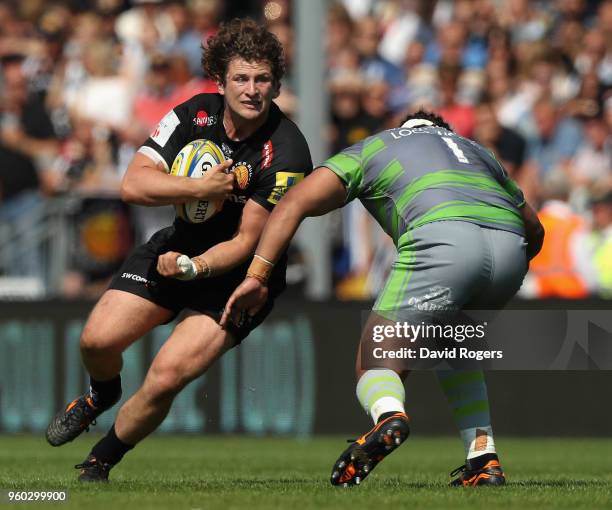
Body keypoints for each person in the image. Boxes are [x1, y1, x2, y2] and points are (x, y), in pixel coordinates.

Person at [45, 18, 312, 482]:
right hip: (176, 247)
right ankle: (102, 393)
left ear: (276, 82)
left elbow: (248, 241)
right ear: (221, 80)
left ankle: (99, 463)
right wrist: (196, 188)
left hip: (239, 277)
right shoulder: (192, 115)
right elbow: (132, 184)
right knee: (96, 341)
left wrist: (195, 266)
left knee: (167, 375)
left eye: (263, 79)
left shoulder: (287, 150)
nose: (252, 90)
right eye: (242, 78)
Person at [222, 110, 544, 487]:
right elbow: (533, 227)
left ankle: (389, 415)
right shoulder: (476, 151)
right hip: (511, 248)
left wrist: (257, 275)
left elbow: (294, 202)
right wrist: (503, 273)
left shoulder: (377, 145)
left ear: (400, 129)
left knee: (375, 359)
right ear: (446, 133)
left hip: (444, 239)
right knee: (453, 349)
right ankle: (483, 459)